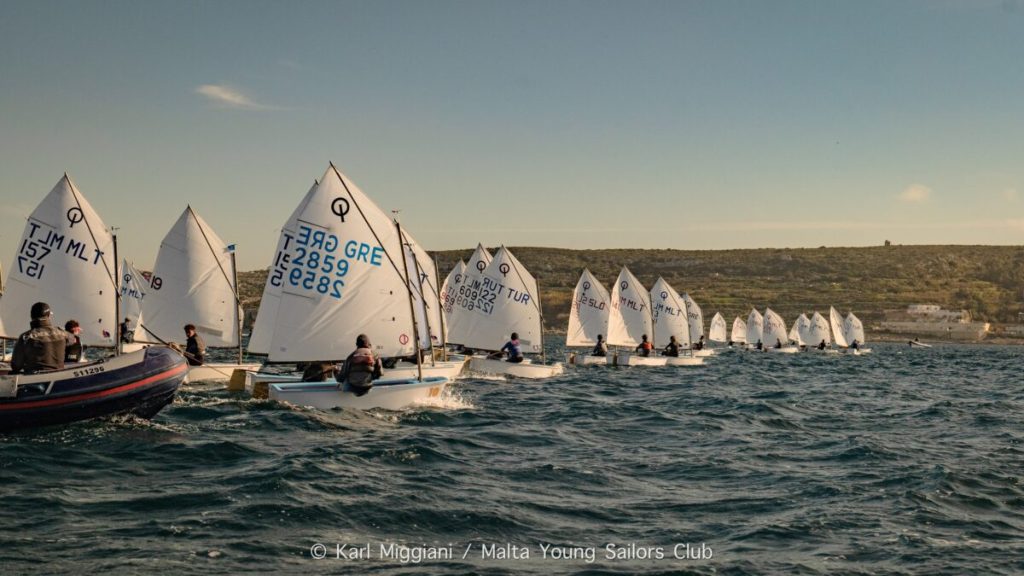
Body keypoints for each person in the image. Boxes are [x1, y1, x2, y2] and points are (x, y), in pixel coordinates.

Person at [10, 302, 67, 374]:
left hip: (36, 381)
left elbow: (16, 366)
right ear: (49, 316)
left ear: (31, 316)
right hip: (59, 379)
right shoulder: (62, 333)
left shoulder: (26, 337)